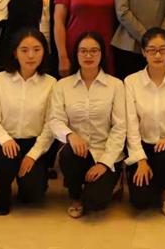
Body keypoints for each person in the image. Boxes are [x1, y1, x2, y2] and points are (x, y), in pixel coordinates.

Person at [48, 32, 127, 218]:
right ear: (76, 54)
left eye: (94, 51)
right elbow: (55, 120)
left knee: (95, 203)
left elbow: (120, 128)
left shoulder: (116, 85)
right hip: (78, 152)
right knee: (68, 153)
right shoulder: (63, 85)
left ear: (102, 54)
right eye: (83, 51)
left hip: (106, 152)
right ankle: (75, 195)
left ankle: (114, 181)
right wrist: (70, 135)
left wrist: (104, 163)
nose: (88, 55)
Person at [0, 28, 57, 215]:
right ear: (15, 53)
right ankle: (4, 192)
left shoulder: (51, 83)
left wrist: (33, 155)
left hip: (35, 144)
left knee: (32, 195)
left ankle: (32, 181)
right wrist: (5, 140)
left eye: (37, 49)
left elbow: (51, 125)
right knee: (6, 159)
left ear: (44, 52)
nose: (31, 55)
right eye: (24, 50)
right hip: (6, 142)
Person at [124, 28, 165, 217]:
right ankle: (143, 180)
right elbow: (131, 126)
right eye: (152, 50)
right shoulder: (131, 82)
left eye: (163, 49)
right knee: (140, 202)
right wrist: (141, 160)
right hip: (142, 147)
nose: (158, 55)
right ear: (143, 52)